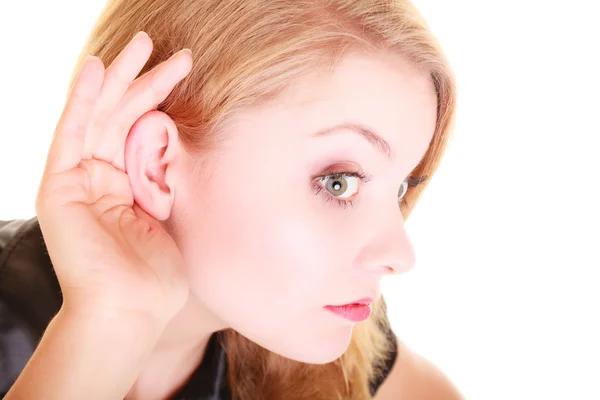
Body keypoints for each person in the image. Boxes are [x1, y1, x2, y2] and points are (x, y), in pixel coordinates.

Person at [0, 0, 462, 398]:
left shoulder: (339, 347)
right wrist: (111, 321)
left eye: (400, 187)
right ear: (157, 165)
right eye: (339, 182)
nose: (399, 255)